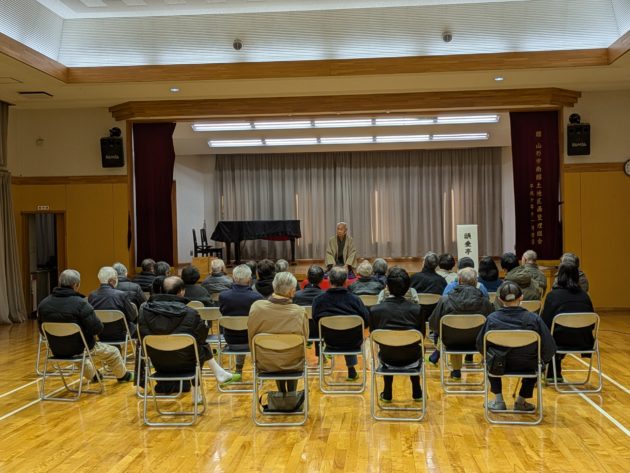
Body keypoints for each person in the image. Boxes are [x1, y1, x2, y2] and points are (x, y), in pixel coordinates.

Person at [139, 276, 239, 395]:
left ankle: (218, 374)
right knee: (200, 345)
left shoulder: (144, 310)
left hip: (156, 360)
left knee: (197, 344)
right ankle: (198, 392)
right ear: (181, 291)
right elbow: (202, 337)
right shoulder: (191, 313)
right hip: (185, 362)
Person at [37, 269, 134, 384]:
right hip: (80, 347)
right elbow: (97, 328)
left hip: (56, 348)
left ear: (60, 283)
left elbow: (42, 331)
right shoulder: (81, 303)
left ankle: (94, 376)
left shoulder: (43, 304)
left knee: (78, 353)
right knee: (113, 352)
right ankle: (123, 376)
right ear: (76, 285)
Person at [476, 281, 556, 411]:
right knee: (537, 362)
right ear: (521, 297)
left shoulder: (492, 319)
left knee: (489, 359)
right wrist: (542, 362)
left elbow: (480, 345)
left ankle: (499, 401)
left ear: (500, 299)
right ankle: (521, 401)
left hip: (498, 365)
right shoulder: (534, 319)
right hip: (528, 365)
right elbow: (549, 347)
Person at [369, 267, 424, 402]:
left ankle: (387, 392)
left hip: (387, 357)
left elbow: (374, 336)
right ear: (408, 288)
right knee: (413, 348)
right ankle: (417, 390)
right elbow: (421, 336)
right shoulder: (417, 310)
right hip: (412, 358)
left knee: (387, 347)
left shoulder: (375, 310)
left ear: (387, 287)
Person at [247, 272, 308, 393]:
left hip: (265, 362)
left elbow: (251, 335)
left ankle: (282, 393)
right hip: (293, 363)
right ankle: (291, 394)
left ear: (274, 286)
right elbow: (304, 340)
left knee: (274, 351)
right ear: (292, 291)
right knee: (291, 350)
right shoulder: (299, 312)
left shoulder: (256, 307)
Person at [427, 268, 494, 376]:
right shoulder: (485, 302)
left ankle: (456, 371)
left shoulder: (445, 300)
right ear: (476, 283)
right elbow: (492, 324)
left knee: (452, 332)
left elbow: (433, 324)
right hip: (477, 342)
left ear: (458, 281)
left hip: (451, 342)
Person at [312, 266, 369, 381]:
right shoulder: (355, 300)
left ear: (329, 280)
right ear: (346, 281)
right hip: (353, 343)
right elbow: (366, 322)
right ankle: (351, 369)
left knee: (341, 331)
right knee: (349, 332)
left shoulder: (318, 300)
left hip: (330, 342)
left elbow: (315, 321)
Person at [541, 262, 594, 383]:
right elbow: (592, 324)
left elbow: (545, 323)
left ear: (559, 276)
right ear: (577, 277)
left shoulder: (553, 296)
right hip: (584, 341)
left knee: (547, 334)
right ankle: (553, 372)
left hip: (558, 341)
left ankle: (549, 372)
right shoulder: (585, 296)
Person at [219, 264, 264, 375]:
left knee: (240, 327)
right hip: (251, 340)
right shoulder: (256, 297)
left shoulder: (223, 296)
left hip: (230, 339)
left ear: (233, 278)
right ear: (249, 279)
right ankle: (261, 369)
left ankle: (238, 370)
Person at [88, 266, 138, 340]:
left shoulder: (92, 296)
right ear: (111, 281)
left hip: (100, 334)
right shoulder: (121, 295)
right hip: (122, 334)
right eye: (116, 278)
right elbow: (132, 317)